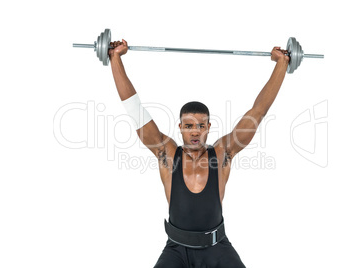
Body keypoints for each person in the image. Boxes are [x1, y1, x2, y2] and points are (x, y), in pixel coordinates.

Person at [109, 39, 289, 268]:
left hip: (217, 248)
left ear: (209, 128)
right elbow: (135, 110)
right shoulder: (166, 153)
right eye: (189, 126)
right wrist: (115, 59)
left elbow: (259, 111)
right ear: (180, 128)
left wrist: (281, 64)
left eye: (200, 126)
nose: (195, 132)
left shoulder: (224, 153)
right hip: (176, 249)